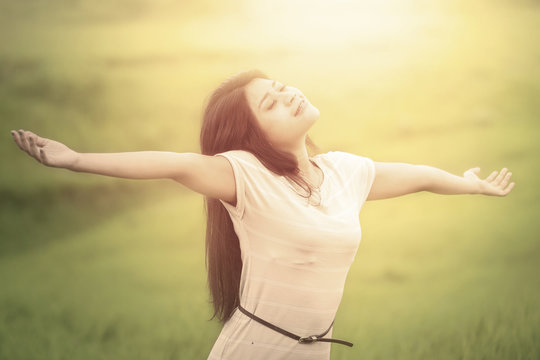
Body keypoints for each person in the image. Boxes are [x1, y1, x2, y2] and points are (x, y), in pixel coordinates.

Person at [10, 69, 515, 360]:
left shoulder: (344, 172)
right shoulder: (245, 176)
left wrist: (469, 185)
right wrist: (75, 159)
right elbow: (174, 165)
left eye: (281, 86)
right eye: (271, 103)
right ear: (253, 136)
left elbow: (420, 175)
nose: (288, 94)